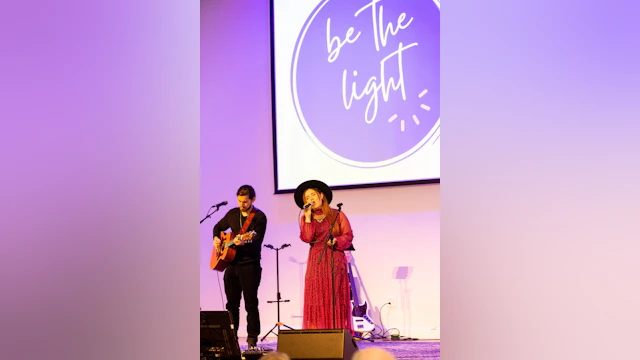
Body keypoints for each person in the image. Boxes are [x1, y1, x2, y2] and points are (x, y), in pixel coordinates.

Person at [294, 180, 354, 331]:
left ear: (321, 195)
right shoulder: (305, 218)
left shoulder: (336, 214)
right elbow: (307, 238)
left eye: (312, 195)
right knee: (316, 297)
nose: (310, 199)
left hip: (335, 259)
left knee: (335, 297)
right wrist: (307, 218)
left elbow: (348, 235)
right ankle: (317, 335)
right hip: (316, 261)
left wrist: (336, 241)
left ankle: (338, 334)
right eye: (307, 198)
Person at [213, 185, 267, 349]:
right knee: (231, 305)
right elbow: (217, 227)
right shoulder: (232, 213)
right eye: (239, 201)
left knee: (251, 304)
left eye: (245, 201)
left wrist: (245, 241)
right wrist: (216, 239)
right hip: (232, 265)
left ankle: (252, 339)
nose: (242, 204)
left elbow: (257, 240)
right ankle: (231, 339)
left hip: (250, 265)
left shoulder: (259, 217)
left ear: (253, 199)